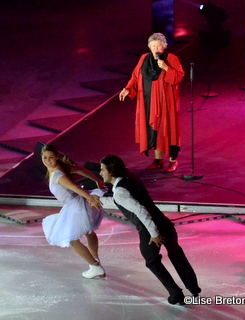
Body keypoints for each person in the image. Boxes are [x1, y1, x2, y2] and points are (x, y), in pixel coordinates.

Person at [99, 155, 201, 305]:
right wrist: (98, 200)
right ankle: (193, 288)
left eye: (102, 170)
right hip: (164, 222)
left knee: (152, 261)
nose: (100, 173)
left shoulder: (120, 192)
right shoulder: (129, 179)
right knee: (175, 253)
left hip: (150, 229)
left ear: (111, 171)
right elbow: (125, 201)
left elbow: (141, 211)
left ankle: (176, 294)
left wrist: (154, 234)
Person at [119, 32, 184, 173]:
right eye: (153, 46)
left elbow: (178, 77)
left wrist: (166, 68)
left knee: (168, 130)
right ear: (149, 47)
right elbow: (135, 77)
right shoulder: (144, 58)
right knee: (153, 131)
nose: (155, 49)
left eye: (158, 46)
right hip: (147, 102)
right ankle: (158, 160)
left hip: (166, 104)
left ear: (164, 46)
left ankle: (173, 161)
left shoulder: (171, 59)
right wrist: (127, 89)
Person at [41, 144, 106, 279]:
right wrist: (97, 179)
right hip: (77, 203)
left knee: (72, 240)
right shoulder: (60, 168)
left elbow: (74, 187)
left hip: (76, 206)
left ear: (56, 157)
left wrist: (90, 198)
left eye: (51, 157)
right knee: (88, 231)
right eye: (45, 158)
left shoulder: (58, 174)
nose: (48, 161)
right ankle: (95, 260)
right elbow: (79, 170)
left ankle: (95, 267)